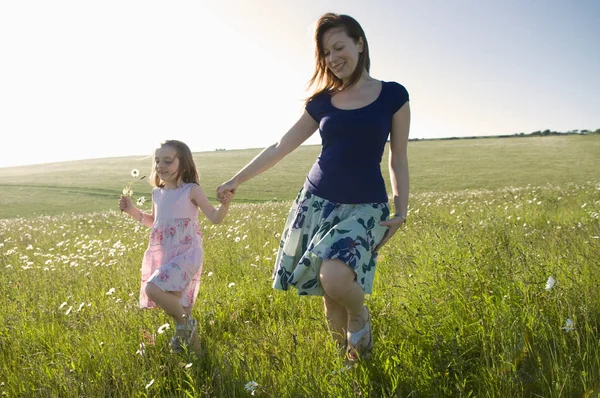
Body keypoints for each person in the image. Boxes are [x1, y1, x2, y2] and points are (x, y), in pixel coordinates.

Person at [217, 13, 410, 361]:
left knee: (336, 280)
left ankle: (360, 314)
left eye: (340, 47)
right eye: (326, 53)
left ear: (360, 44)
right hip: (317, 203)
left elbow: (397, 157)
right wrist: (236, 180)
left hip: (366, 206)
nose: (334, 58)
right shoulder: (321, 102)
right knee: (328, 295)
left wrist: (401, 211)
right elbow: (280, 146)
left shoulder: (393, 96)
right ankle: (351, 364)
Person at [120, 139, 233, 354]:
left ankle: (184, 326)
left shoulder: (191, 190)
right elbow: (154, 222)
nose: (160, 166)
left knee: (152, 288)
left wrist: (225, 204)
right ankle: (198, 357)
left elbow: (215, 218)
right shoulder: (157, 193)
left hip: (187, 254)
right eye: (157, 161)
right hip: (165, 254)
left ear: (183, 163)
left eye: (167, 161)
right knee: (181, 309)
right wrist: (132, 211)